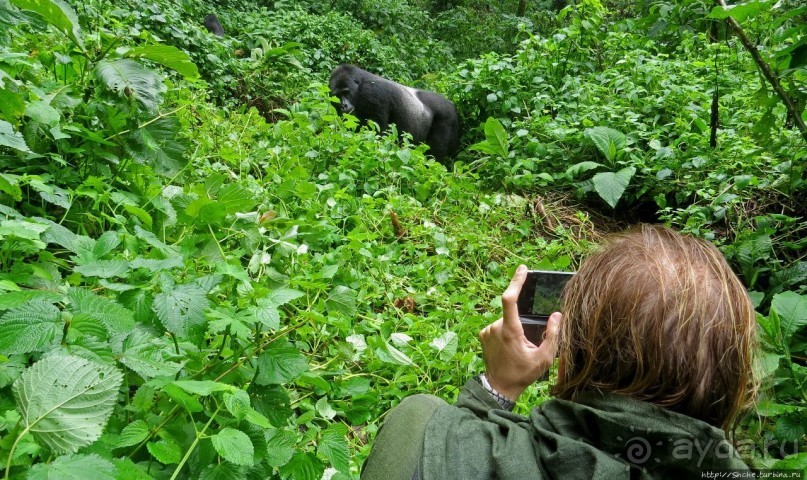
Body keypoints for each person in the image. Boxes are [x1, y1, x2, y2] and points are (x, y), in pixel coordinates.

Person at [361, 224, 758, 479]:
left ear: (568, 355)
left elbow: (447, 452)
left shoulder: (417, 428)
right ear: (735, 385)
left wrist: (491, 392)